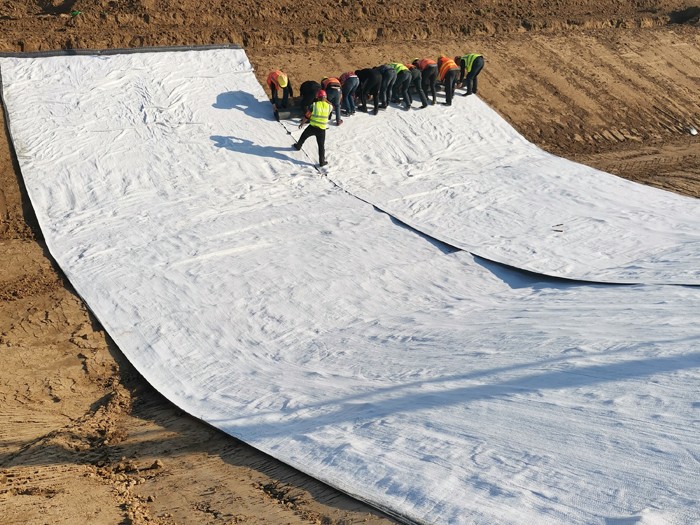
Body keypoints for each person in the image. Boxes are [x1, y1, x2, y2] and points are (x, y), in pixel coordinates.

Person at [293, 89, 332, 167]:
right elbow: (329, 107)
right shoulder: (329, 107)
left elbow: (307, 116)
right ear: (325, 97)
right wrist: (325, 100)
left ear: (317, 97)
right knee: (321, 146)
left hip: (312, 127)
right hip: (322, 130)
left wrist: (302, 123)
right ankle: (322, 162)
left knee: (303, 136)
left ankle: (298, 146)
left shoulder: (314, 105)